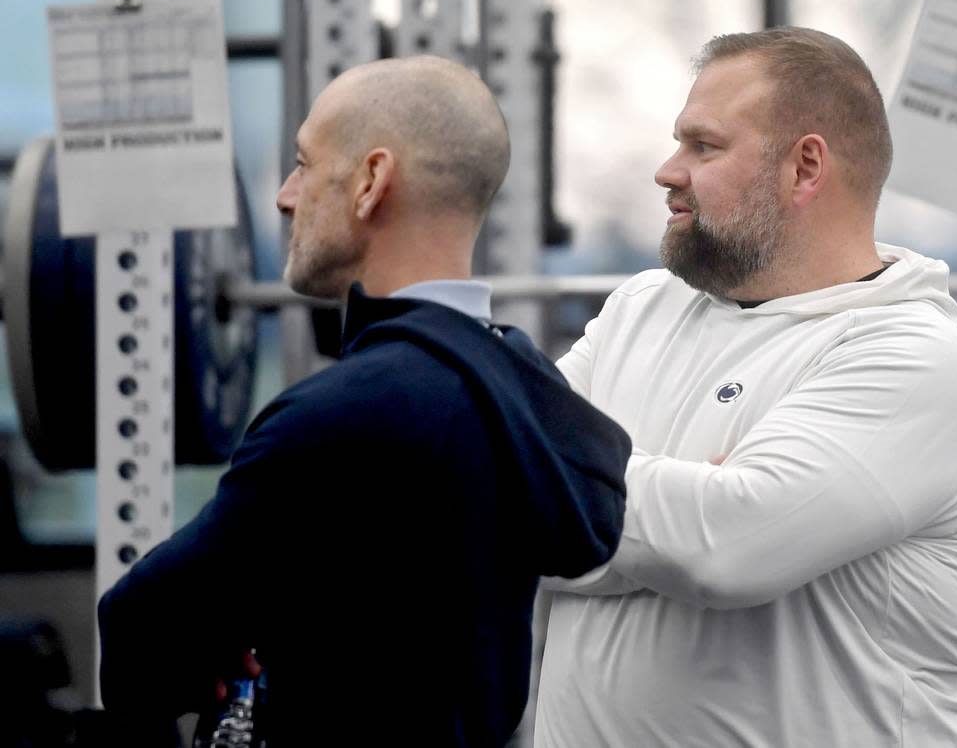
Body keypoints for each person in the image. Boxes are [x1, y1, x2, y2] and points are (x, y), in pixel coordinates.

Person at [97, 56, 631, 747]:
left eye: (304, 163)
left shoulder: (339, 415)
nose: (287, 195)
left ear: (372, 182)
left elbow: (144, 641)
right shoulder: (530, 396)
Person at [532, 28, 957, 747]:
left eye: (704, 146)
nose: (667, 171)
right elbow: (501, 510)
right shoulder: (640, 309)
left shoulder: (919, 359)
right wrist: (682, 504)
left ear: (805, 167)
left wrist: (600, 508)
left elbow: (722, 552)